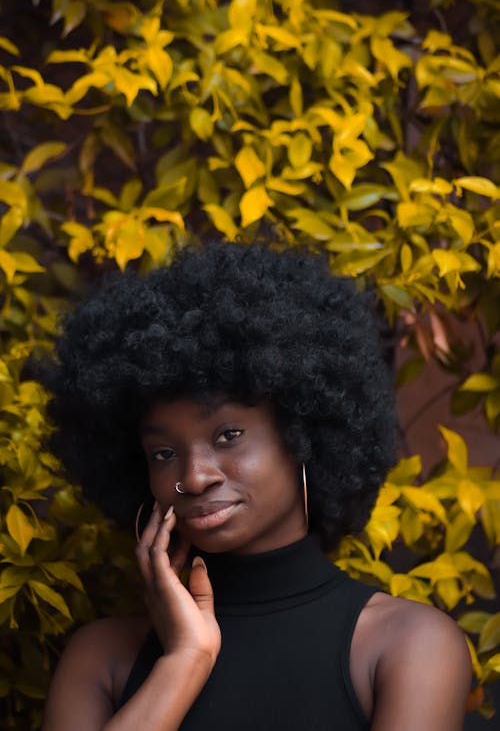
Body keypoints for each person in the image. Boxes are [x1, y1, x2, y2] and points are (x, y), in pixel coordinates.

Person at [40, 242, 471, 731]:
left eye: (228, 436)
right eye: (163, 453)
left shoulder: (407, 644)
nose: (194, 476)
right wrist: (185, 662)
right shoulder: (103, 657)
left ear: (303, 435)